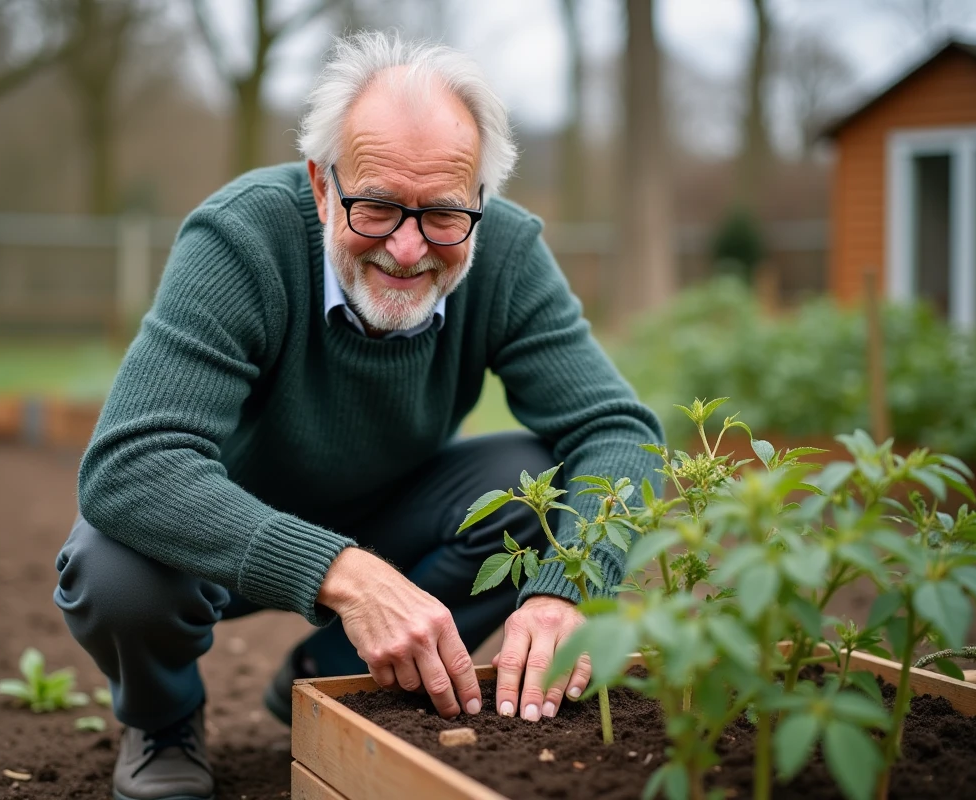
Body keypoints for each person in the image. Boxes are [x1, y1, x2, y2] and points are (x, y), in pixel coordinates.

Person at [54, 31, 664, 800]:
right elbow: (130, 464)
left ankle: (333, 675)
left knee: (529, 486)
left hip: (391, 510)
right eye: (376, 207)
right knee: (112, 572)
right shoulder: (243, 240)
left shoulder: (506, 255)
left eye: (444, 215)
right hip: (218, 537)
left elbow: (620, 432)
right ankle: (164, 720)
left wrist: (568, 587)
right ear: (320, 186)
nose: (408, 250)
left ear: (481, 198)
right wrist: (340, 572)